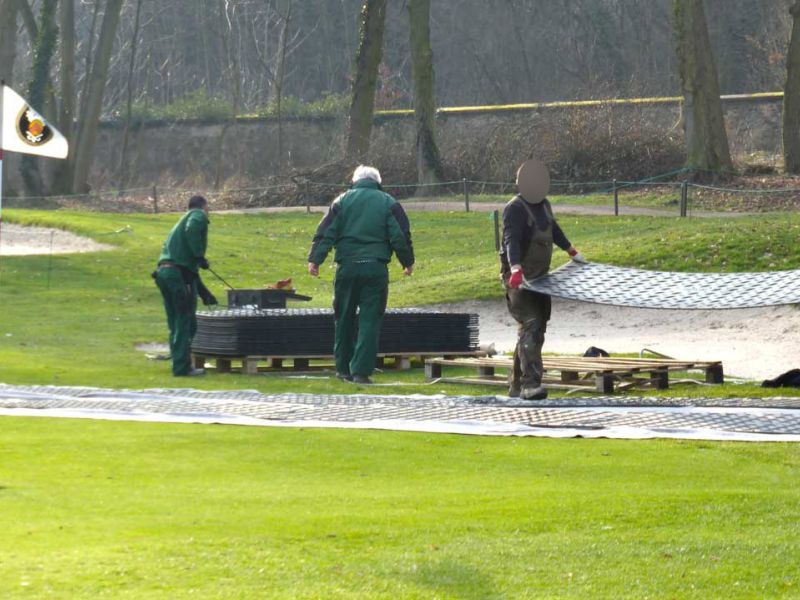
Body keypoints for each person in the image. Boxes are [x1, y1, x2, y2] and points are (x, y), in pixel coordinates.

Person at [308, 165, 414, 384]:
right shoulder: (389, 203)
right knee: (370, 320)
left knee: (343, 317)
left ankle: (342, 369)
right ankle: (361, 372)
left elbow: (326, 232)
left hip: (346, 267)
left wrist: (315, 259)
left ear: (355, 181)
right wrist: (407, 262)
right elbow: (399, 236)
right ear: (377, 181)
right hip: (375, 268)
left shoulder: (341, 201)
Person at [500, 159, 585, 400]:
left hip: (541, 279)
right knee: (531, 324)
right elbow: (511, 241)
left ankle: (517, 386)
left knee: (536, 329)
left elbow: (553, 230)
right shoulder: (514, 209)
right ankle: (530, 386)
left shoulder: (544, 205)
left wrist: (571, 251)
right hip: (519, 279)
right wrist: (515, 268)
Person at [153, 195, 217, 376]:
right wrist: (199, 255)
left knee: (175, 320)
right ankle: (181, 368)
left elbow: (189, 272)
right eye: (208, 208)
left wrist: (205, 294)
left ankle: (177, 358)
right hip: (177, 276)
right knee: (185, 321)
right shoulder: (197, 215)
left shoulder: (179, 223)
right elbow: (193, 229)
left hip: (164, 273)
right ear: (204, 207)